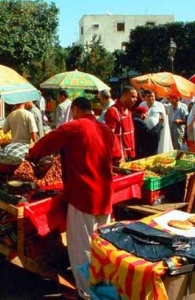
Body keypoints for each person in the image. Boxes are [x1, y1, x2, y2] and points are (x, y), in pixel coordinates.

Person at [26, 97, 114, 299]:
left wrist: (32, 154)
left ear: (75, 109)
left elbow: (44, 145)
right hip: (105, 195)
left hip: (83, 196)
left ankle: (86, 293)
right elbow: (116, 154)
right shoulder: (106, 130)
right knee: (102, 247)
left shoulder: (75, 127)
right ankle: (105, 289)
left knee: (81, 248)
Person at [104, 86, 138, 163]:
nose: (135, 100)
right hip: (119, 157)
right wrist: (118, 155)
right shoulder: (113, 111)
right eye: (132, 97)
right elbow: (109, 136)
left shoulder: (128, 110)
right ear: (124, 96)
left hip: (130, 154)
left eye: (136, 97)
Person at [139, 90, 173, 154]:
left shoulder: (160, 105)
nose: (151, 98)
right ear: (145, 97)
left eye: (152, 96)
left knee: (156, 151)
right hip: (145, 134)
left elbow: (164, 120)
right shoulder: (141, 105)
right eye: (148, 96)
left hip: (156, 133)